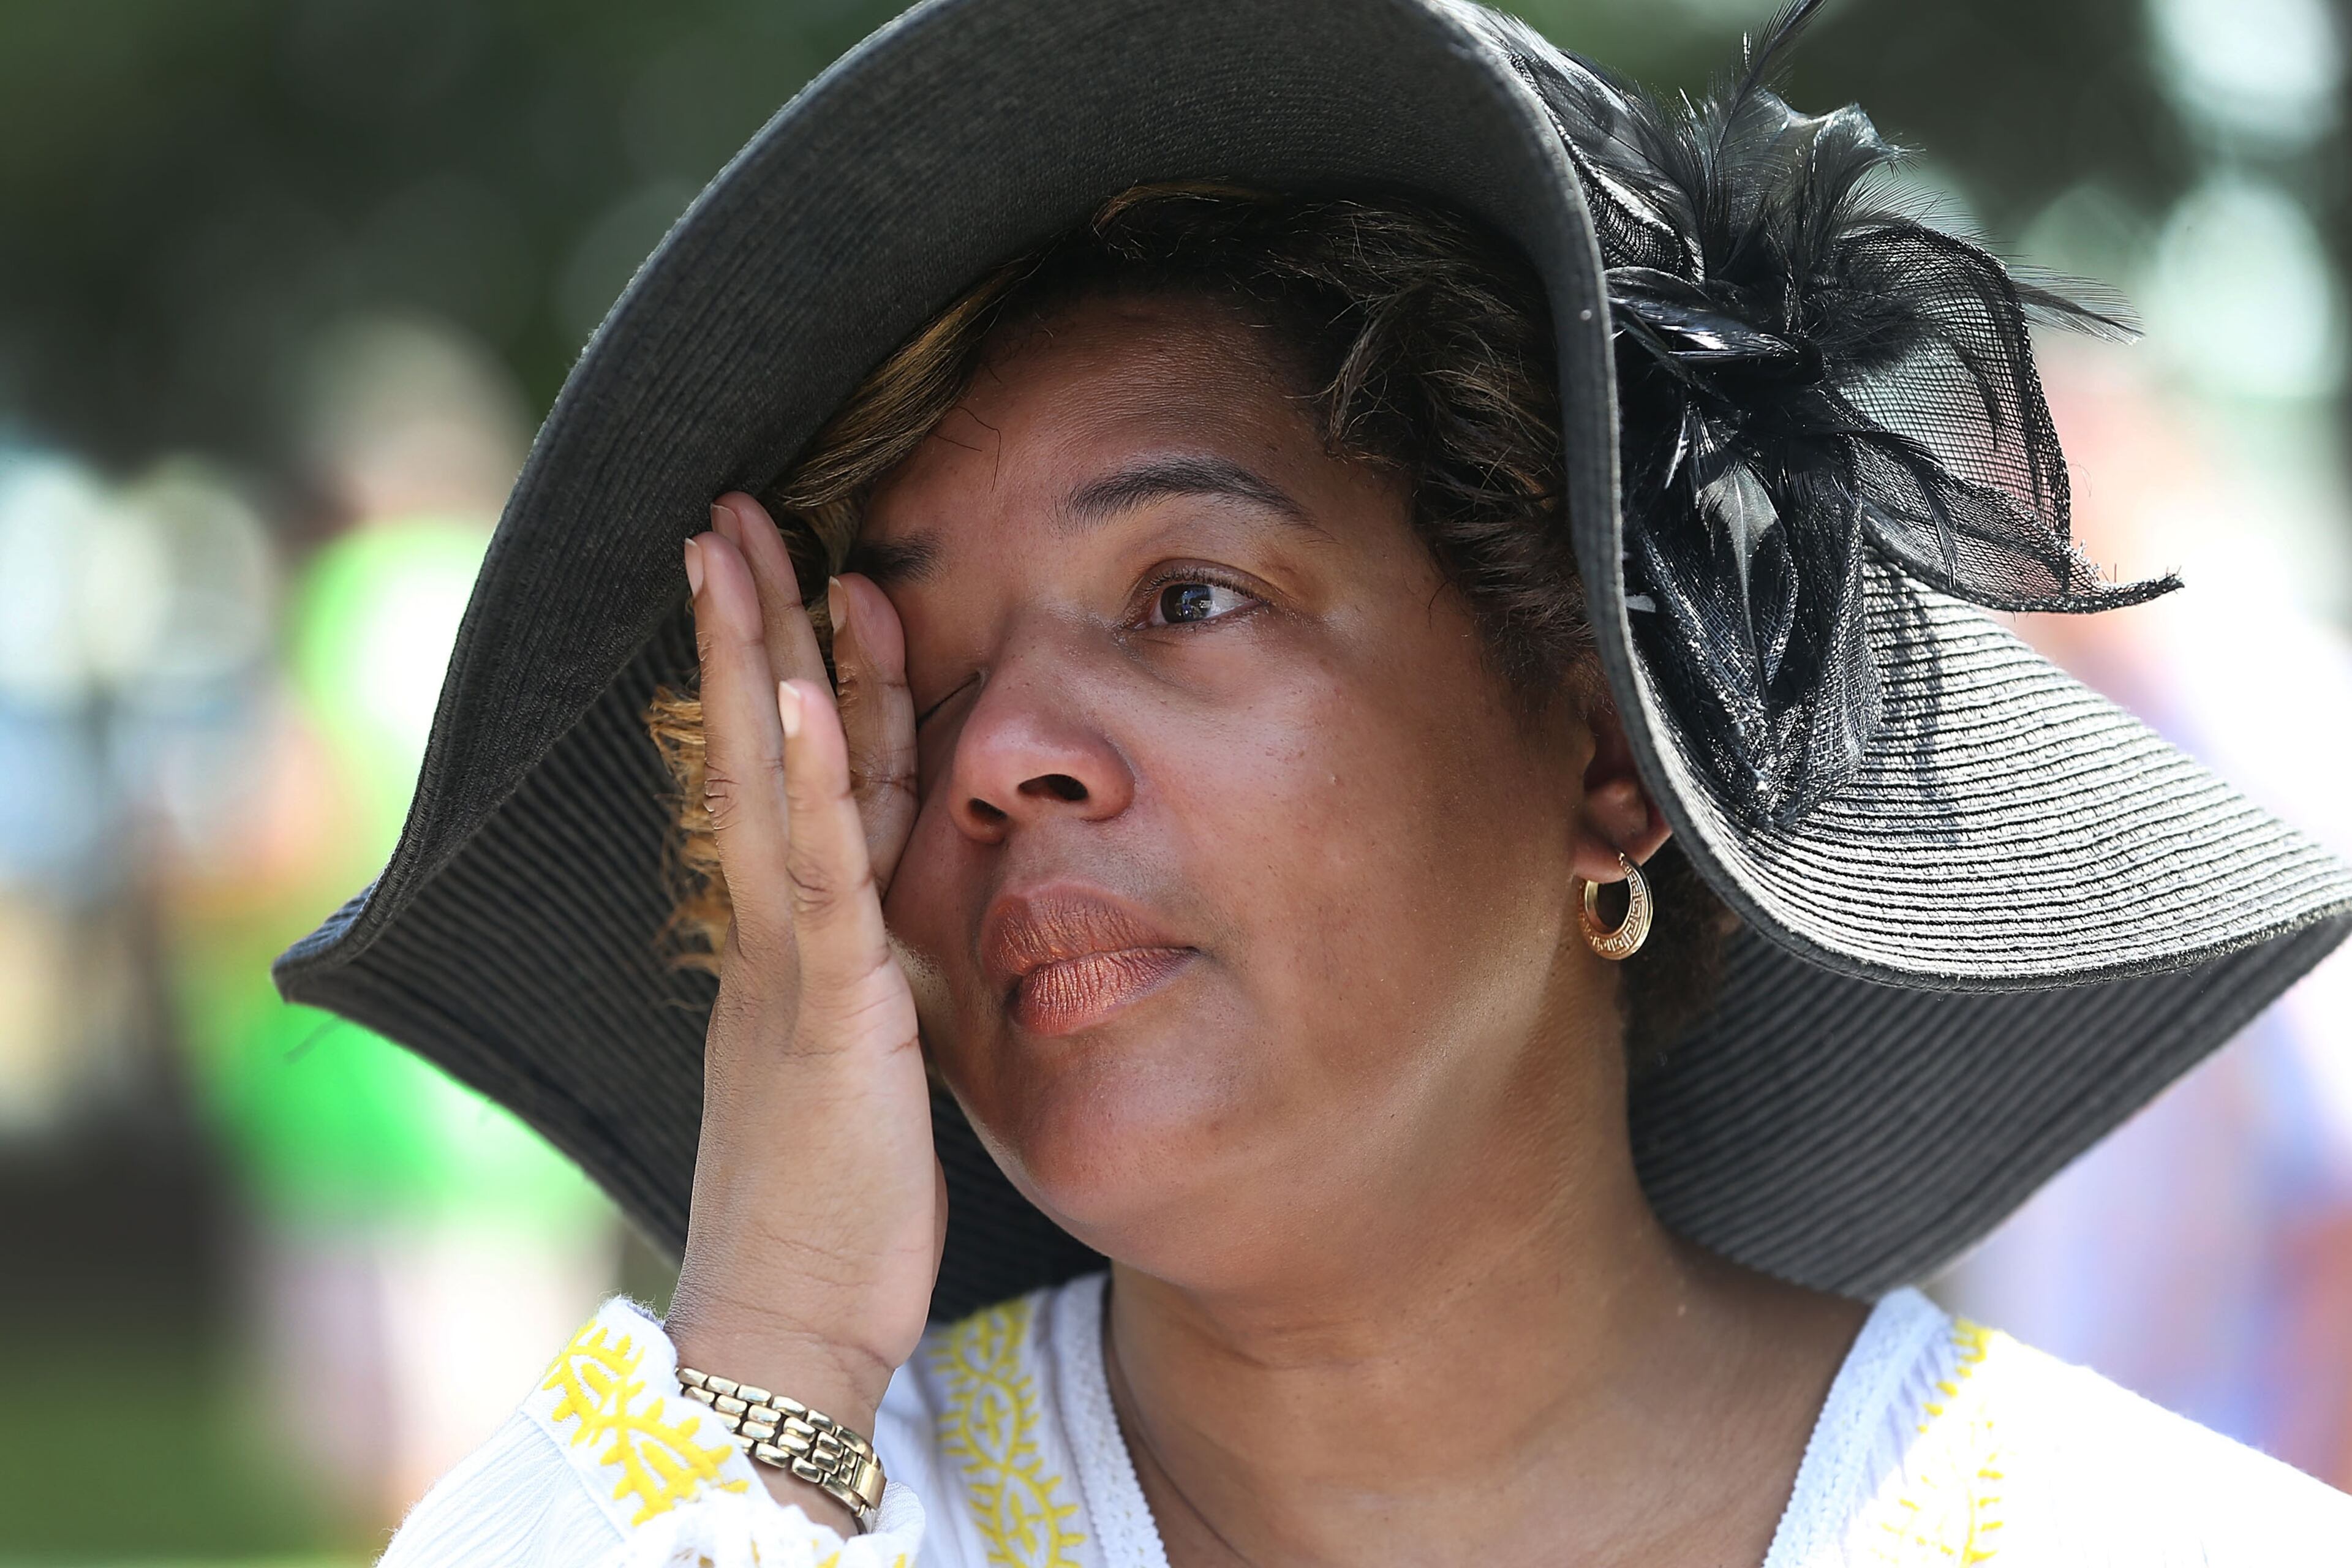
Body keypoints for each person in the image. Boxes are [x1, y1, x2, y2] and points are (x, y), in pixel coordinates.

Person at [274, 2, 2352, 1562]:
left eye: (1183, 595)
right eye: (918, 670)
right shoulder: (764, 1508)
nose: (998, 758)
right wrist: (776, 1344)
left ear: (1609, 753)